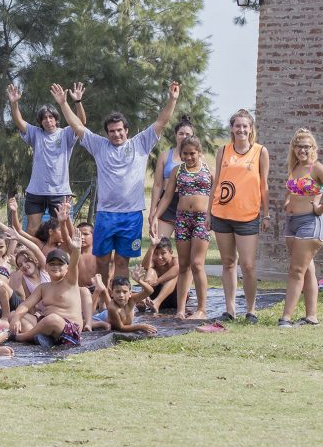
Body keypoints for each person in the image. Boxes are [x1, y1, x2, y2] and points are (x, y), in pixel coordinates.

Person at [52, 80, 180, 283]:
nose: (116, 134)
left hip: (131, 216)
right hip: (106, 214)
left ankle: (120, 299)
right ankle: (104, 300)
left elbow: (161, 122)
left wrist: (172, 100)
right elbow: (77, 126)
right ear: (107, 133)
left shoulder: (140, 143)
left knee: (122, 262)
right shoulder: (100, 145)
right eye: (112, 131)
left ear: (126, 130)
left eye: (119, 130)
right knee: (102, 261)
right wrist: (63, 103)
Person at [208, 109, 271, 323]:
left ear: (251, 129)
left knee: (248, 265)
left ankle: (251, 310)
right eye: (238, 126)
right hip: (222, 214)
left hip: (248, 216)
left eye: (245, 126)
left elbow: (264, 185)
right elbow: (215, 183)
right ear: (232, 128)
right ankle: (230, 309)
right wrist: (209, 213)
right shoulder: (223, 151)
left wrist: (267, 213)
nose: (241, 129)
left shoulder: (260, 151)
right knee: (227, 262)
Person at [279, 128, 323, 327]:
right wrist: (288, 201)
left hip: (310, 223)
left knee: (296, 270)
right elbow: (291, 191)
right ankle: (311, 316)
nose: (302, 150)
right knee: (307, 271)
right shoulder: (295, 167)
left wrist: (320, 209)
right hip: (292, 223)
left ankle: (286, 318)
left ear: (313, 148)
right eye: (299, 146)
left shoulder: (317, 168)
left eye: (306, 147)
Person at [6, 82, 87, 233]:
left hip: (59, 191)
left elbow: (81, 122)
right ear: (40, 121)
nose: (48, 120)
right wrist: (14, 103)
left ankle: (58, 257)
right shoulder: (36, 134)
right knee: (32, 229)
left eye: (51, 117)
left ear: (56, 119)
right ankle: (31, 256)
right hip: (36, 191)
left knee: (59, 230)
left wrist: (77, 102)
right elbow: (19, 122)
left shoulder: (66, 133)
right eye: (44, 118)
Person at [151, 135, 212, 319]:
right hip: (182, 219)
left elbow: (217, 194)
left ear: (199, 152)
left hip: (202, 219)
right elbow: (168, 196)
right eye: (185, 153)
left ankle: (201, 309)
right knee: (184, 265)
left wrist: (212, 215)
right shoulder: (178, 171)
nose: (189, 157)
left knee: (197, 263)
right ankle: (180, 309)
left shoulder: (208, 170)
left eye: (192, 153)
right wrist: (155, 215)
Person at [8, 234, 85, 347]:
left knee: (52, 319)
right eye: (52, 264)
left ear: (67, 268)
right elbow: (26, 305)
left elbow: (74, 264)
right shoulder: (43, 287)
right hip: (46, 326)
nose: (55, 267)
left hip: (68, 330)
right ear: (47, 267)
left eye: (60, 264)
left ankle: (22, 337)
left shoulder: (70, 281)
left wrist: (77, 249)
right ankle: (38, 337)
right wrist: (16, 318)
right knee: (13, 314)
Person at [147, 116, 195, 244]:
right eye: (181, 133)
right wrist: (153, 211)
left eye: (188, 134)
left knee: (186, 251)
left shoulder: (198, 158)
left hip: (187, 203)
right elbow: (157, 185)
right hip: (166, 203)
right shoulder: (165, 156)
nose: (184, 136)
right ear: (176, 135)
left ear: (193, 136)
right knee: (159, 244)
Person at [103, 268, 159, 336]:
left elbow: (150, 291)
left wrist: (139, 281)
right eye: (117, 292)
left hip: (112, 317)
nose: (121, 295)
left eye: (124, 292)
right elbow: (120, 328)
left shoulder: (132, 299)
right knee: (103, 325)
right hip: (101, 318)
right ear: (112, 293)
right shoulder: (112, 307)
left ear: (130, 293)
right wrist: (141, 327)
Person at [138, 238, 179, 313]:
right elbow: (144, 267)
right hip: (153, 298)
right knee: (151, 271)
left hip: (175, 299)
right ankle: (143, 298)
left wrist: (158, 281)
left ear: (171, 252)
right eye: (156, 254)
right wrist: (151, 247)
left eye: (163, 253)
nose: (159, 257)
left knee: (174, 276)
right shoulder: (154, 262)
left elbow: (177, 269)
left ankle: (157, 302)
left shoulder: (175, 261)